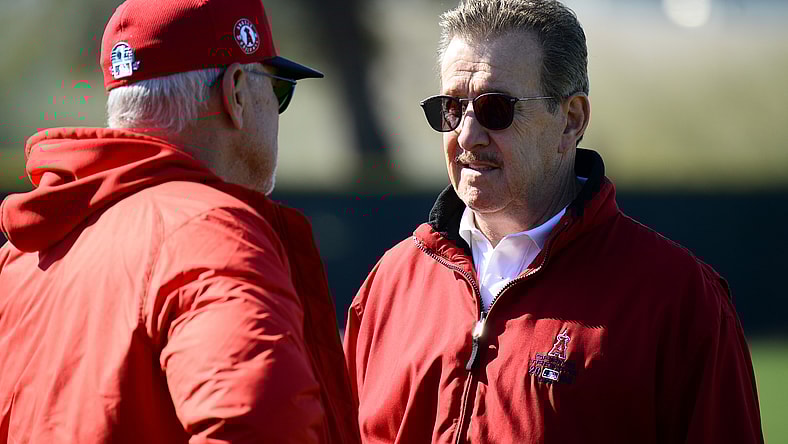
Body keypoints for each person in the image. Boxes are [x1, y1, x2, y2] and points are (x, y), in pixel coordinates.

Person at [342, 1, 763, 443]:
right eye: (451, 107)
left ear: (571, 120)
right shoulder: (390, 284)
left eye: (495, 108)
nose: (466, 134)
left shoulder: (679, 298)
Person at [0, 0, 359, 443]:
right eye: (280, 90)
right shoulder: (212, 230)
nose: (277, 108)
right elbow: (260, 425)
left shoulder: (20, 259)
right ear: (238, 92)